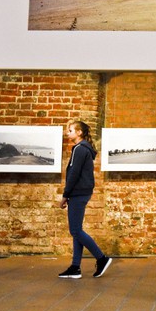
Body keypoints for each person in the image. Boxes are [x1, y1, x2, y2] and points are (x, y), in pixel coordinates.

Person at [58, 119, 112, 279]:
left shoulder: (79, 149)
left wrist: (65, 195)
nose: (67, 133)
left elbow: (73, 174)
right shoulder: (83, 149)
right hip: (81, 192)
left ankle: (101, 258)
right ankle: (75, 267)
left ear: (79, 133)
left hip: (78, 193)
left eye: (70, 130)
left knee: (75, 230)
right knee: (77, 231)